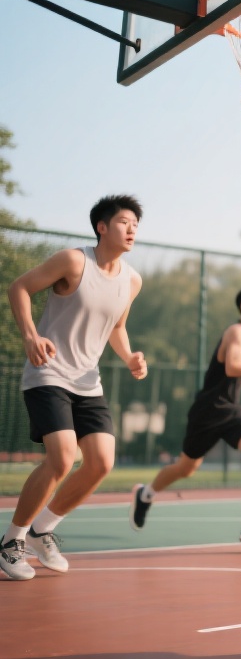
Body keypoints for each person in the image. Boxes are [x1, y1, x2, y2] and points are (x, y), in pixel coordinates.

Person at [2, 195, 147, 581]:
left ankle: (42, 530)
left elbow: (117, 327)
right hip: (48, 373)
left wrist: (130, 356)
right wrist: (31, 336)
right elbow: (19, 287)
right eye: (123, 222)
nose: (131, 229)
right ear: (101, 226)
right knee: (63, 458)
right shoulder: (73, 261)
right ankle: (11, 540)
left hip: (87, 381)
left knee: (101, 462)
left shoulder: (132, 280)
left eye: (135, 223)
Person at [129, 285, 241, 543]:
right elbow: (233, 366)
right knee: (186, 468)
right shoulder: (236, 331)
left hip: (230, 409)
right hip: (208, 410)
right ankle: (145, 494)